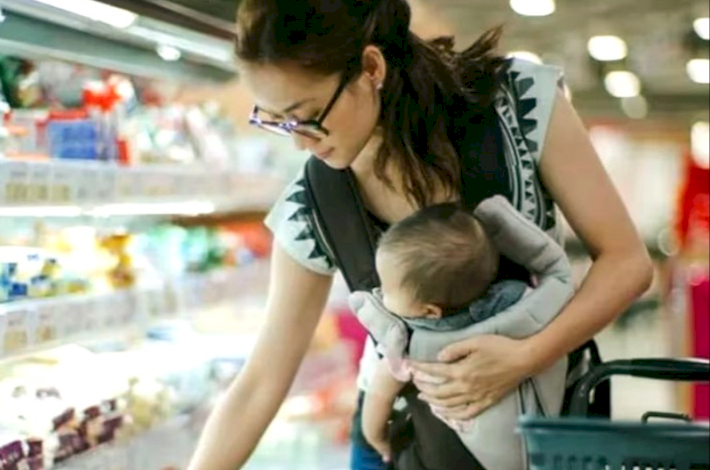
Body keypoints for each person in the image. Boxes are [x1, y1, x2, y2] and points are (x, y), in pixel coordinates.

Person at [187, 1, 653, 469]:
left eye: (306, 115)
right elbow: (262, 381)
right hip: (411, 448)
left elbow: (627, 263)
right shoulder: (312, 204)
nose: (298, 141)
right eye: (275, 120)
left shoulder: (518, 101)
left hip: (552, 438)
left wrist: (527, 355)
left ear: (371, 67)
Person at [356, 198, 571, 469]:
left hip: (464, 455)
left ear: (430, 311)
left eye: (387, 291)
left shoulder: (411, 344)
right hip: (536, 441)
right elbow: (556, 277)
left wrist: (375, 437)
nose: (380, 293)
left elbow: (379, 395)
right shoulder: (523, 303)